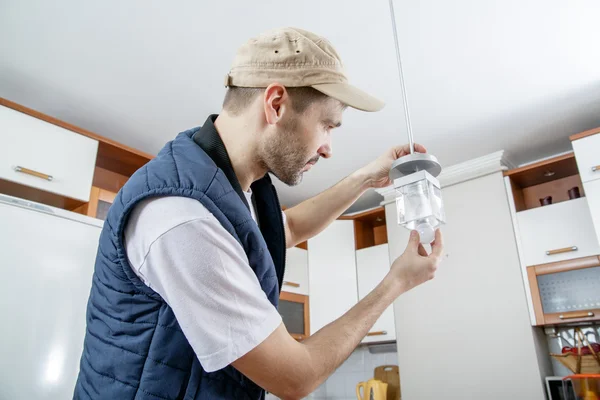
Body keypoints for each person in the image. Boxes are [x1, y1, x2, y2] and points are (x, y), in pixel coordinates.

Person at [74, 27, 443, 400]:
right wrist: (396, 282)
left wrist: (365, 178)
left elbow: (289, 228)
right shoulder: (184, 219)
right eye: (327, 126)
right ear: (276, 104)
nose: (329, 148)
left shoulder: (226, 180)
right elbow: (295, 377)